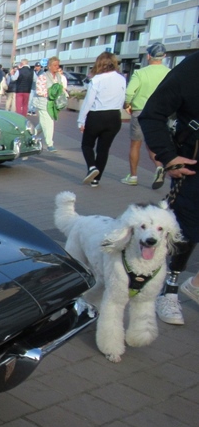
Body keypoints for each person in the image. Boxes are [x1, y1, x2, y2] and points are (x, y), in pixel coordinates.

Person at [138, 51, 199, 325]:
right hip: (192, 166)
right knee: (185, 230)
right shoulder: (193, 68)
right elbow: (152, 114)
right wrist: (167, 155)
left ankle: (195, 285)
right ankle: (168, 290)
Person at [122, 43, 169, 189]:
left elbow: (129, 92)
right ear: (164, 56)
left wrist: (127, 104)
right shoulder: (170, 73)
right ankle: (159, 166)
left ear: (148, 56)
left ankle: (133, 176)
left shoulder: (140, 73)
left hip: (140, 111)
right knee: (153, 143)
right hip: (161, 113)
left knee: (135, 144)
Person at [77, 52, 126, 187]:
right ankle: (96, 180)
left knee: (87, 145)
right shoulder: (121, 79)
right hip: (114, 116)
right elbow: (122, 98)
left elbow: (88, 101)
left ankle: (92, 167)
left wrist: (81, 120)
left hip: (96, 116)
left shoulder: (97, 79)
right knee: (103, 149)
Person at [34, 57, 67, 152]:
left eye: (58, 65)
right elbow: (39, 91)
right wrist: (50, 93)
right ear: (49, 66)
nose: (57, 67)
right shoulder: (43, 76)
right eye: (55, 65)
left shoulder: (59, 77)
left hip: (52, 104)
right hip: (43, 103)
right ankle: (50, 144)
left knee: (43, 123)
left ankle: (30, 136)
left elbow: (61, 88)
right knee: (48, 122)